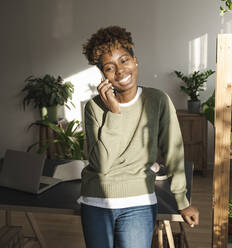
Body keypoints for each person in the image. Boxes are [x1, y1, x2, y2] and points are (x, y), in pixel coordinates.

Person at [78, 26, 199, 248]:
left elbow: (174, 151)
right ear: (103, 75)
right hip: (96, 201)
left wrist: (182, 201)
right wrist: (114, 113)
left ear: (135, 60)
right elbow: (102, 165)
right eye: (109, 67)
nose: (120, 71)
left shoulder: (157, 100)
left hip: (139, 202)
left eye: (124, 61)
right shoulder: (94, 108)